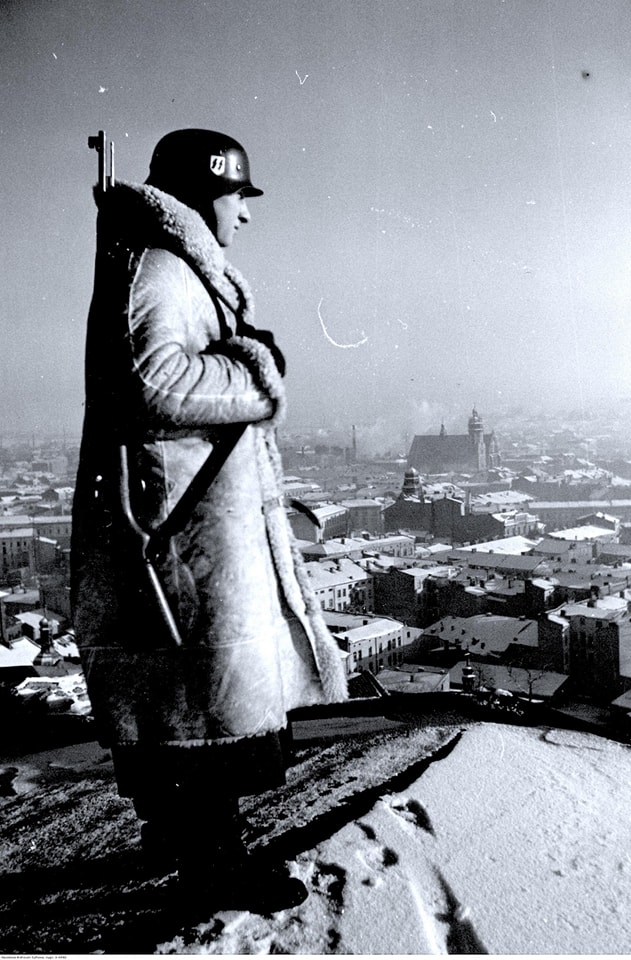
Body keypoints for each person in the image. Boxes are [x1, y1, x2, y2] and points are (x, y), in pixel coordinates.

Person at [71, 128, 348, 911]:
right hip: (177, 532)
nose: (246, 217)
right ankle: (213, 867)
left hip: (187, 524)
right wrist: (256, 369)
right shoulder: (158, 268)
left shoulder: (167, 265)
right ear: (202, 196)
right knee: (201, 702)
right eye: (237, 198)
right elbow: (154, 380)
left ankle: (181, 837)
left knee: (193, 696)